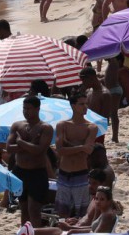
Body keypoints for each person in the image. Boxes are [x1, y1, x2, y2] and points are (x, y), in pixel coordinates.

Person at [6, 95, 54, 228]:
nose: (26, 111)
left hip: (37, 172)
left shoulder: (45, 128)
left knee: (34, 209)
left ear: (37, 109)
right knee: (24, 208)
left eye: (29, 108)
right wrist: (29, 145)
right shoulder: (17, 125)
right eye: (24, 108)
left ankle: (36, 232)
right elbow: (9, 148)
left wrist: (20, 142)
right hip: (20, 170)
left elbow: (39, 150)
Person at [54, 91, 98, 220]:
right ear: (73, 106)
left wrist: (69, 145)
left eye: (86, 104)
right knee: (62, 213)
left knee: (82, 214)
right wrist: (81, 147)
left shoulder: (91, 127)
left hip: (80, 173)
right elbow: (60, 150)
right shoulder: (63, 125)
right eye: (81, 104)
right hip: (64, 173)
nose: (85, 107)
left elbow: (88, 151)